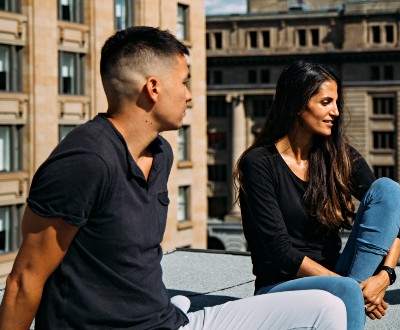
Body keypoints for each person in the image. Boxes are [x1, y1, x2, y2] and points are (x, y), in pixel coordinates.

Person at [0, 26, 346, 330]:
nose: (190, 95)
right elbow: (23, 279)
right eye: (184, 82)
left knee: (328, 306)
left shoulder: (161, 153)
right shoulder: (84, 161)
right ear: (153, 88)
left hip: (166, 320)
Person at [234, 60, 400, 330]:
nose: (336, 112)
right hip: (280, 287)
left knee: (388, 190)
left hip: (338, 275)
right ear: (298, 104)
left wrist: (384, 276)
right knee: (348, 292)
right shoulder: (259, 163)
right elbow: (280, 252)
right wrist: (348, 288)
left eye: (336, 102)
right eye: (326, 102)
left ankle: (350, 294)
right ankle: (350, 296)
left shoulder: (338, 157)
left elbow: (396, 223)